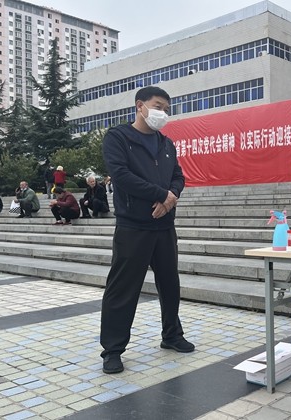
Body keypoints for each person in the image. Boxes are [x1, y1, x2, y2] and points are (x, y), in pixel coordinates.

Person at [99, 86, 192, 375]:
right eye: (158, 106)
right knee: (122, 289)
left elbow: (178, 176)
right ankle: (113, 350)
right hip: (133, 225)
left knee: (170, 283)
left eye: (166, 109)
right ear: (140, 106)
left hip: (164, 225)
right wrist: (161, 195)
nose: (162, 113)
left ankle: (172, 335)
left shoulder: (166, 144)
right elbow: (121, 175)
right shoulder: (118, 137)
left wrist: (170, 197)